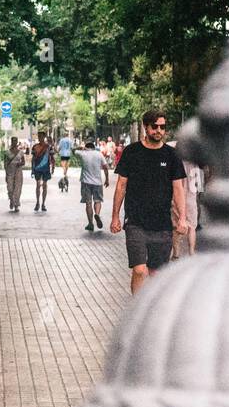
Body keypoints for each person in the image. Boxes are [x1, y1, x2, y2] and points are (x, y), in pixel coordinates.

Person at [109, 109, 187, 295]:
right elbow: (121, 186)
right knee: (139, 270)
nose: (159, 131)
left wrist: (182, 218)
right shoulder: (132, 152)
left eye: (162, 127)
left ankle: (151, 312)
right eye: (154, 127)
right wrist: (115, 217)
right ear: (146, 127)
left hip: (162, 225)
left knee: (156, 274)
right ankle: (136, 312)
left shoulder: (171, 155)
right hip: (136, 222)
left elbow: (178, 189)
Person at [74, 139, 110, 232]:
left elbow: (73, 150)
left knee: (88, 203)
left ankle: (90, 224)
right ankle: (97, 214)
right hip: (98, 182)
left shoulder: (83, 153)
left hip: (86, 183)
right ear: (94, 148)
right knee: (98, 201)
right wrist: (107, 179)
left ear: (86, 148)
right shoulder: (99, 154)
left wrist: (81, 148)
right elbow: (106, 167)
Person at [173, 156, 204, 259]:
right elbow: (199, 187)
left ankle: (176, 253)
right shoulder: (196, 165)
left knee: (176, 226)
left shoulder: (177, 163)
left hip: (178, 198)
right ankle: (191, 252)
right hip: (191, 199)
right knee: (192, 228)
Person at [31, 135, 53, 211]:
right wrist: (32, 169)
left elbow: (52, 156)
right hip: (37, 168)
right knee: (37, 185)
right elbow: (33, 159)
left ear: (44, 138)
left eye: (42, 137)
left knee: (44, 185)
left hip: (46, 169)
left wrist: (53, 167)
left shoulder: (48, 147)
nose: (40, 138)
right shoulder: (35, 146)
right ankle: (37, 202)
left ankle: (43, 204)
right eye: (39, 137)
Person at [4, 136, 26, 212]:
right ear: (11, 141)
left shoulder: (20, 152)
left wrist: (20, 164)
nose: (14, 142)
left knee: (17, 188)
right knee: (10, 188)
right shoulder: (7, 152)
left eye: (15, 141)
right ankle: (11, 200)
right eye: (13, 141)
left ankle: (16, 204)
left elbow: (23, 162)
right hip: (10, 172)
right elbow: (5, 164)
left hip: (18, 172)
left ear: (17, 142)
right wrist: (6, 174)